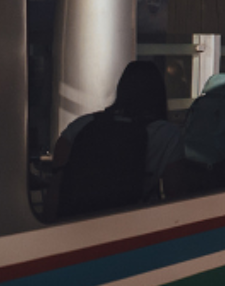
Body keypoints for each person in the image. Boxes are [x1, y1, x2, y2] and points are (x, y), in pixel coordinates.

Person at [50, 60, 185, 219]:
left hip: (77, 223)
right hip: (133, 225)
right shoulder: (166, 134)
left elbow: (56, 183)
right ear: (159, 93)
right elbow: (175, 196)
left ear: (121, 88)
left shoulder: (82, 125)